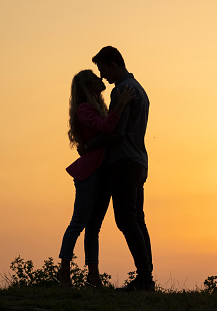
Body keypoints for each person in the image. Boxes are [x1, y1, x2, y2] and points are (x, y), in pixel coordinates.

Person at [83, 46, 154, 291]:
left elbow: (116, 132)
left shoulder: (121, 90)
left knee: (126, 220)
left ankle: (145, 278)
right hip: (139, 160)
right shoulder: (141, 90)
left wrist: (90, 144)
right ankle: (146, 277)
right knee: (137, 219)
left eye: (103, 69)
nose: (102, 76)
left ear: (113, 64)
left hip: (123, 161)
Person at [58, 69, 134, 287]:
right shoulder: (84, 109)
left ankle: (93, 276)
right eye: (94, 78)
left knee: (94, 227)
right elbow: (106, 127)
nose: (100, 79)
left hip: (103, 170)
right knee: (79, 222)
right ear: (86, 86)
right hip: (90, 171)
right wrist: (121, 104)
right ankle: (63, 271)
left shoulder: (98, 107)